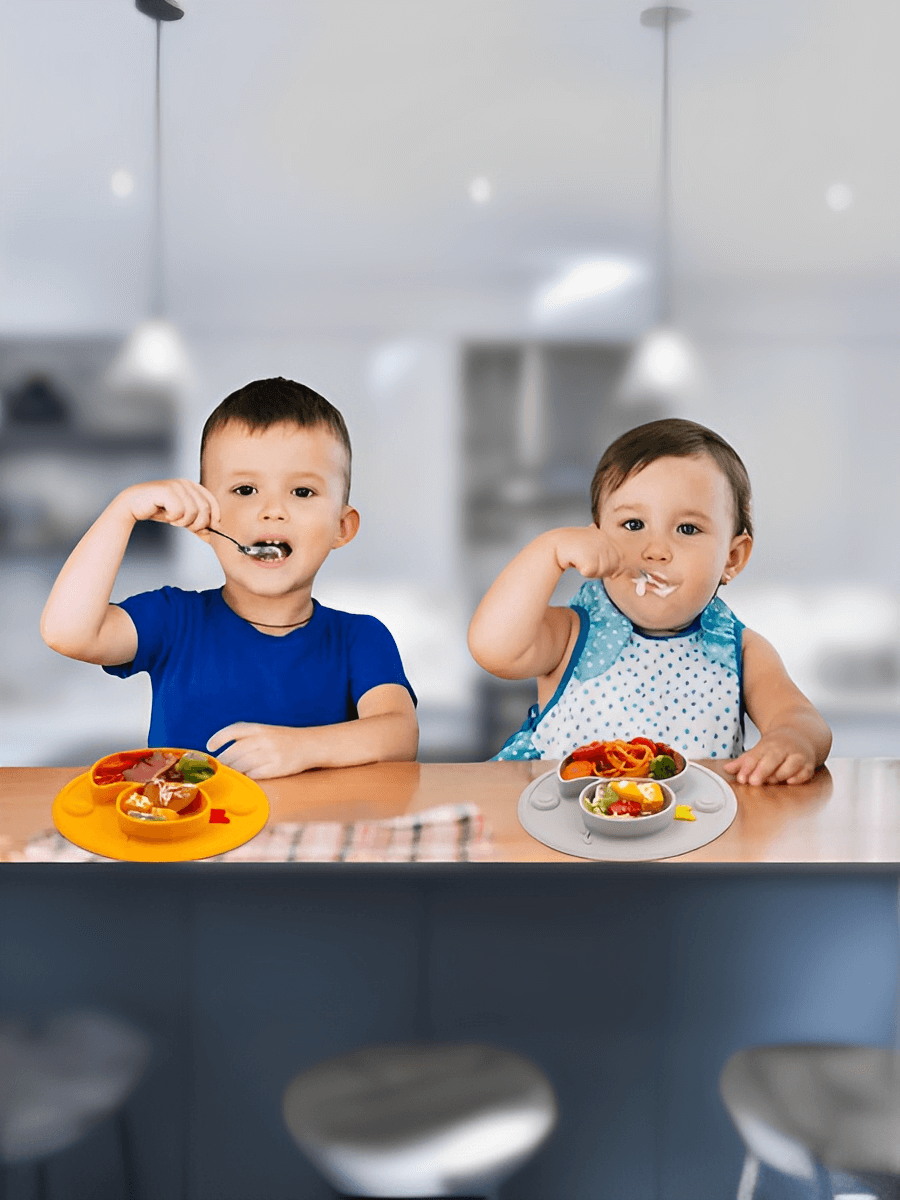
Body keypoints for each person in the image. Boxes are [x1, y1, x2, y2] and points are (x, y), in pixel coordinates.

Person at [41, 377, 418, 779]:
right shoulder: (174, 620)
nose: (272, 511)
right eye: (244, 489)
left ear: (341, 527)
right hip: (193, 840)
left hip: (316, 836)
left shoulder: (360, 638)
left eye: (302, 492)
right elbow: (69, 633)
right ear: (205, 517)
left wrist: (300, 748)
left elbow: (401, 734)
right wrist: (123, 511)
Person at [467, 418, 830, 786]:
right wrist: (548, 551)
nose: (656, 551)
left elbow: (801, 718)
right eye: (633, 525)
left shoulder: (742, 651)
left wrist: (792, 740)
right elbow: (492, 647)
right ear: (595, 539)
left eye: (687, 529)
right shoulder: (571, 634)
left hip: (696, 835)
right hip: (568, 833)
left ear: (732, 558)